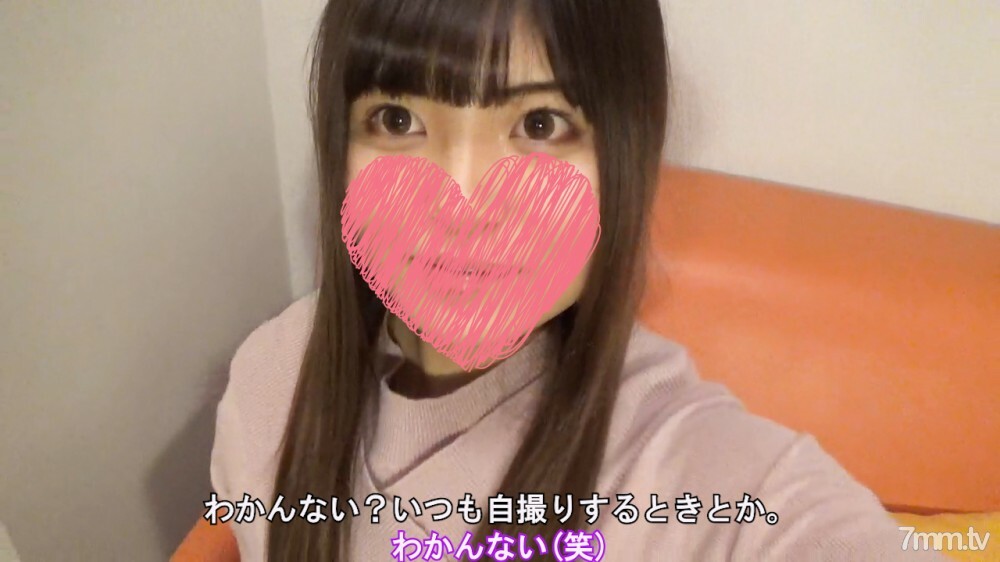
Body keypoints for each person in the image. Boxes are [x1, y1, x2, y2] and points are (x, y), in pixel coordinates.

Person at [209, 0, 947, 559]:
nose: (462, 202)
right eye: (398, 119)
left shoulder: (697, 474)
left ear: (624, 154)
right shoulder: (269, 381)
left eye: (539, 125)